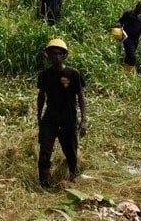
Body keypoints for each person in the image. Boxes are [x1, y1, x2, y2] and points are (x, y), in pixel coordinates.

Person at [37, 38, 87, 190]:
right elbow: (41, 96)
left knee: (70, 151)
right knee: (45, 151)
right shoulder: (44, 75)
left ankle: (73, 177)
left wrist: (83, 119)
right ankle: (44, 184)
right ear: (48, 56)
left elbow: (81, 96)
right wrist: (39, 117)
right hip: (50, 117)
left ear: (64, 56)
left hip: (68, 118)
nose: (56, 57)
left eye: (59, 54)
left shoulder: (73, 74)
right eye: (53, 54)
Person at [114, 1, 141, 74]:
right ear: (136, 7)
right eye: (139, 9)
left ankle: (125, 72)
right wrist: (117, 26)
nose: (140, 11)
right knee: (132, 56)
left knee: (129, 56)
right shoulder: (128, 14)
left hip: (135, 39)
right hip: (127, 37)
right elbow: (120, 21)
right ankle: (131, 73)